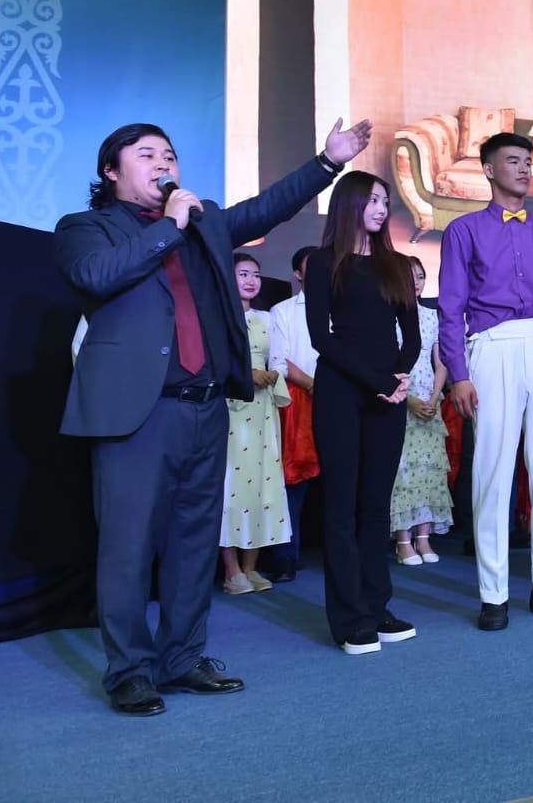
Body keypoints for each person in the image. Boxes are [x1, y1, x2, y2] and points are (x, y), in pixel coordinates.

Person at [55, 116, 370, 716]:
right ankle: (130, 672)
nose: (163, 162)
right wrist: (169, 226)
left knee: (195, 543)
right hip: (135, 415)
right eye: (146, 154)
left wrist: (327, 162)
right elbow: (96, 276)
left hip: (206, 407)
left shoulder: (204, 223)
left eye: (169, 154)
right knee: (127, 548)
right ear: (110, 171)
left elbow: (266, 208)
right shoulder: (86, 228)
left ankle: (181, 659)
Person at [439, 132, 533, 630]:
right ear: (488, 169)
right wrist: (458, 374)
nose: (524, 169)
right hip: (492, 345)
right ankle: (493, 594)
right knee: (492, 473)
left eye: (528, 161)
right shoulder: (463, 230)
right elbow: (451, 307)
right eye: (513, 161)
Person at [304, 172, 422, 655]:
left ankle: (377, 607)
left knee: (376, 506)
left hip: (387, 396)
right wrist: (379, 382)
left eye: (384, 201)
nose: (380, 208)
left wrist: (399, 376)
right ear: (349, 204)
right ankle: (348, 617)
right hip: (341, 392)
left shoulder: (396, 265)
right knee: (341, 506)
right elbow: (321, 337)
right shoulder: (322, 262)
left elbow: (411, 336)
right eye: (372, 200)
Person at [219, 253, 292, 594]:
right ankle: (231, 569)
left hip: (263, 409)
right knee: (231, 486)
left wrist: (274, 373)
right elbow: (216, 361)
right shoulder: (218, 316)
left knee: (263, 485)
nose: (251, 281)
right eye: (243, 274)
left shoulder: (266, 317)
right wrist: (247, 375)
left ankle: (251, 567)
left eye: (256, 275)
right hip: (231, 409)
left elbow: (279, 357)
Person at [391, 255, 453, 567]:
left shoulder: (432, 316)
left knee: (429, 469)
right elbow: (384, 363)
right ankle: (403, 541)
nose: (415, 282)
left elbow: (441, 363)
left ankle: (424, 537)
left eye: (420, 276)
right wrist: (409, 399)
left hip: (430, 400)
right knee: (402, 471)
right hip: (398, 399)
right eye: (409, 276)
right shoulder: (387, 316)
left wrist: (433, 396)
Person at [266, 245, 320, 583]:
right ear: (298, 275)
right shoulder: (282, 311)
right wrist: (315, 385)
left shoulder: (345, 307)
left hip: (340, 400)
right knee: (293, 480)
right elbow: (280, 361)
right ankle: (286, 555)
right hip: (300, 399)